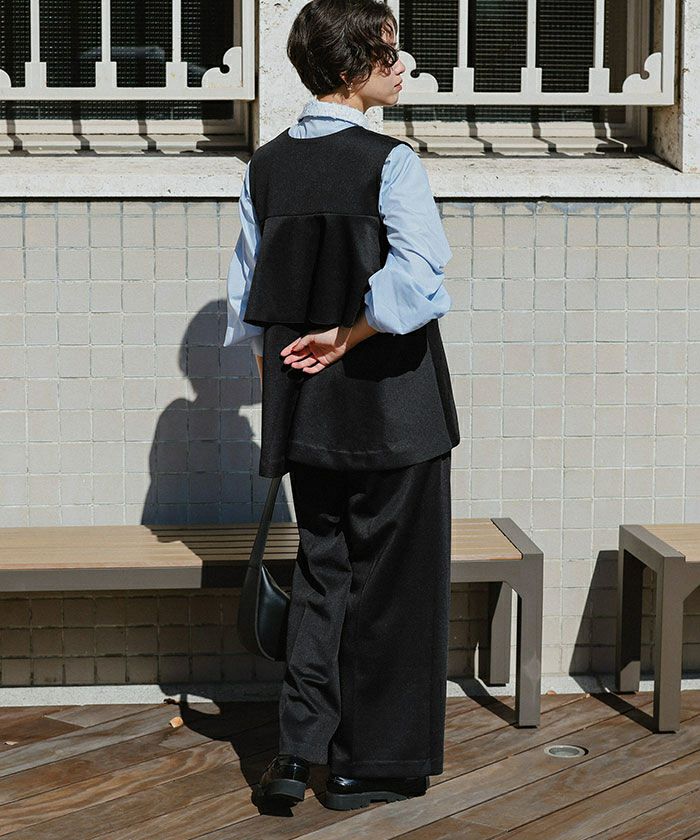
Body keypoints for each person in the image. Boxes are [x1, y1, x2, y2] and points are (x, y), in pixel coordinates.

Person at [223, 0, 460, 812]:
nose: (404, 66)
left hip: (307, 414)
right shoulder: (391, 162)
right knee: (395, 583)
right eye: (391, 52)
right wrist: (347, 336)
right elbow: (419, 278)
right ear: (352, 66)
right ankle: (370, 763)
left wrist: (290, 382)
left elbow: (247, 300)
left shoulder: (265, 167)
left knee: (322, 574)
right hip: (396, 409)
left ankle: (297, 752)